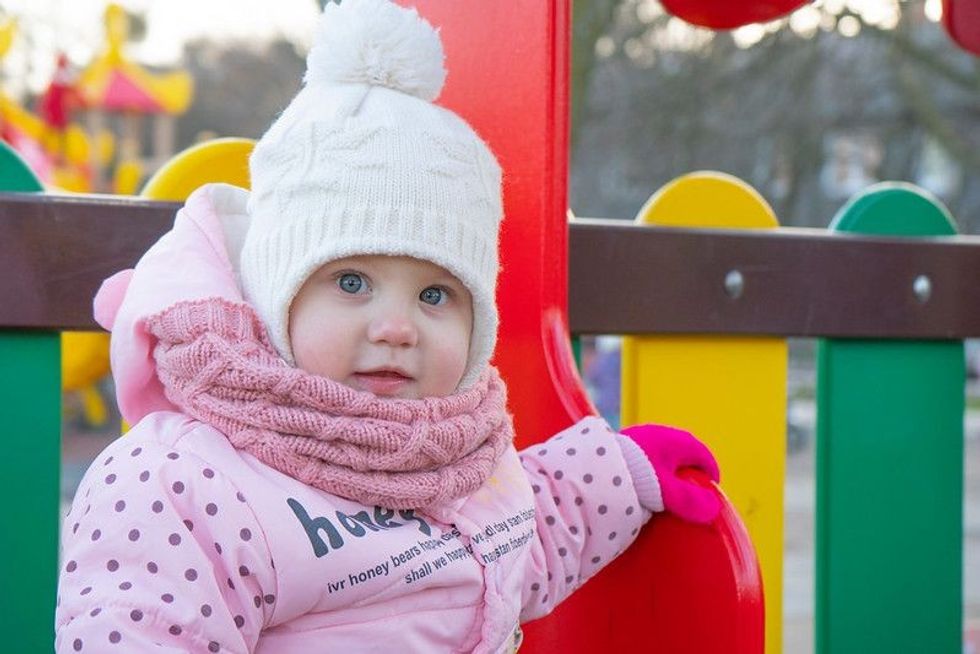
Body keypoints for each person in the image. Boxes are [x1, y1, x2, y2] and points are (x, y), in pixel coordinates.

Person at [55, 1, 720, 651]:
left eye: (435, 294)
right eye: (352, 283)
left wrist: (621, 475)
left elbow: (523, 536)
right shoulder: (184, 483)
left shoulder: (462, 462)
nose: (398, 327)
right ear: (273, 297)